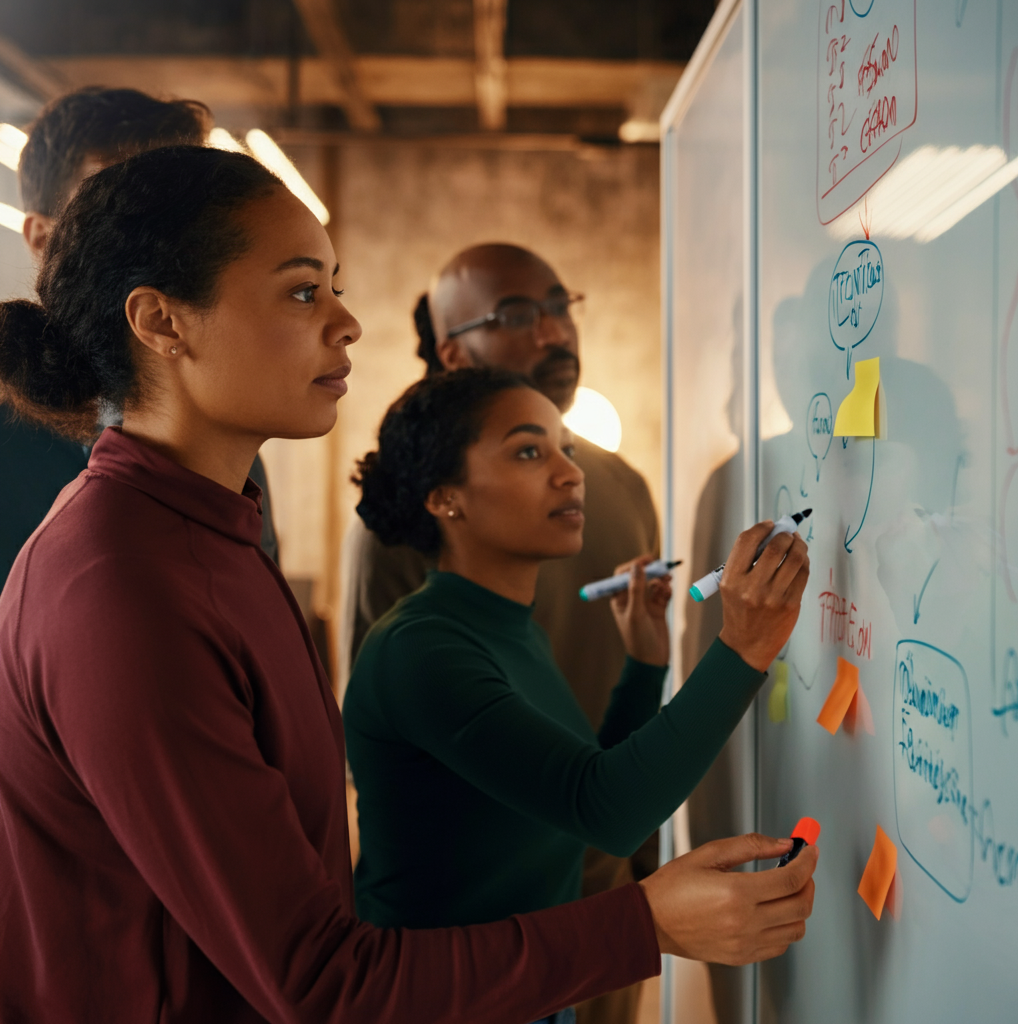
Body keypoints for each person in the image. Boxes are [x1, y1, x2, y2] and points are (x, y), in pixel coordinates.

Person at [0, 145, 817, 1023]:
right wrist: (643, 923)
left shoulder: (213, 533)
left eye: (335, 286)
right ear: (163, 322)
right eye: (304, 290)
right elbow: (319, 984)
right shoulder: (123, 586)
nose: (348, 324)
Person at [343, 369, 812, 1024]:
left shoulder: (505, 628)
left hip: (527, 994)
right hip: (440, 1000)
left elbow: (581, 798)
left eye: (566, 447)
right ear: (446, 497)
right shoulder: (421, 650)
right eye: (530, 451)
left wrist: (645, 664)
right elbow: (608, 809)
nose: (571, 472)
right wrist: (743, 649)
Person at [339, 242, 660, 1023]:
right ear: (453, 352)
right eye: (518, 316)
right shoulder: (407, 526)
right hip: (479, 930)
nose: (554, 333)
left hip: (610, 891)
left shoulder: (616, 486)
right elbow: (387, 733)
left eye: (560, 307)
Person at [0, 86, 278, 588]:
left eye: (184, 219)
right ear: (44, 241)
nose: (167, 247)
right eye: (124, 219)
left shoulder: (220, 426)